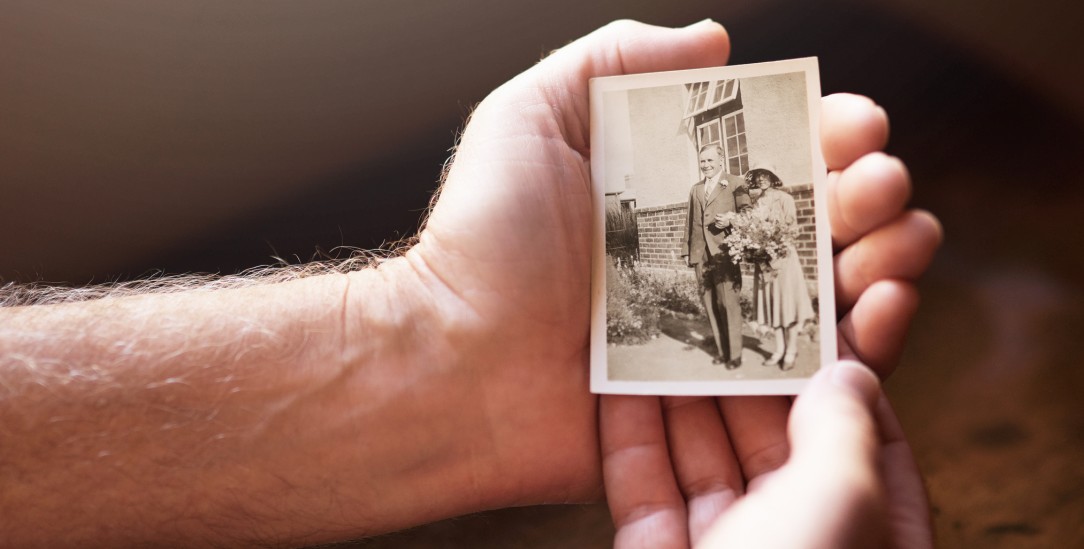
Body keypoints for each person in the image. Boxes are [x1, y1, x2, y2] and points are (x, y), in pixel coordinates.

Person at [0, 20, 941, 548]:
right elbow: (697, 229)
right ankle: (734, 343)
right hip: (710, 269)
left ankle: (745, 342)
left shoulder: (748, 191)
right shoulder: (700, 194)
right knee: (732, 310)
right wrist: (438, 337)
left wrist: (432, 339)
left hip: (737, 265)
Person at [681, 144, 750, 368]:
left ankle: (735, 354)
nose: (706, 165)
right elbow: (690, 221)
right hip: (701, 254)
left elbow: (748, 214)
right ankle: (723, 351)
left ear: (721, 159)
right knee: (710, 303)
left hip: (724, 253)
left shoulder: (736, 183)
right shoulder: (696, 189)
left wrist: (732, 220)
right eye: (703, 161)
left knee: (728, 302)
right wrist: (687, 250)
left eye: (710, 161)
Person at [746, 165, 816, 370]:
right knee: (771, 303)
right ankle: (778, 350)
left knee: (788, 304)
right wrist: (756, 246)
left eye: (765, 175)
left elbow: (792, 229)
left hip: (783, 260)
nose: (761, 179)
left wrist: (775, 241)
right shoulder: (756, 203)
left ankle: (791, 350)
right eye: (758, 176)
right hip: (764, 260)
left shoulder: (785, 199)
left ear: (773, 177)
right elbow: (751, 230)